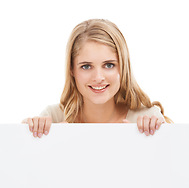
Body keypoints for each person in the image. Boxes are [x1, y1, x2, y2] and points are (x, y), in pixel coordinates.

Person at [22, 19, 172, 137]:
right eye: (86, 66)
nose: (98, 77)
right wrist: (30, 134)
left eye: (109, 65)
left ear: (123, 67)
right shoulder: (53, 118)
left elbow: (172, 171)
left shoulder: (146, 119)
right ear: (72, 70)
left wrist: (153, 141)